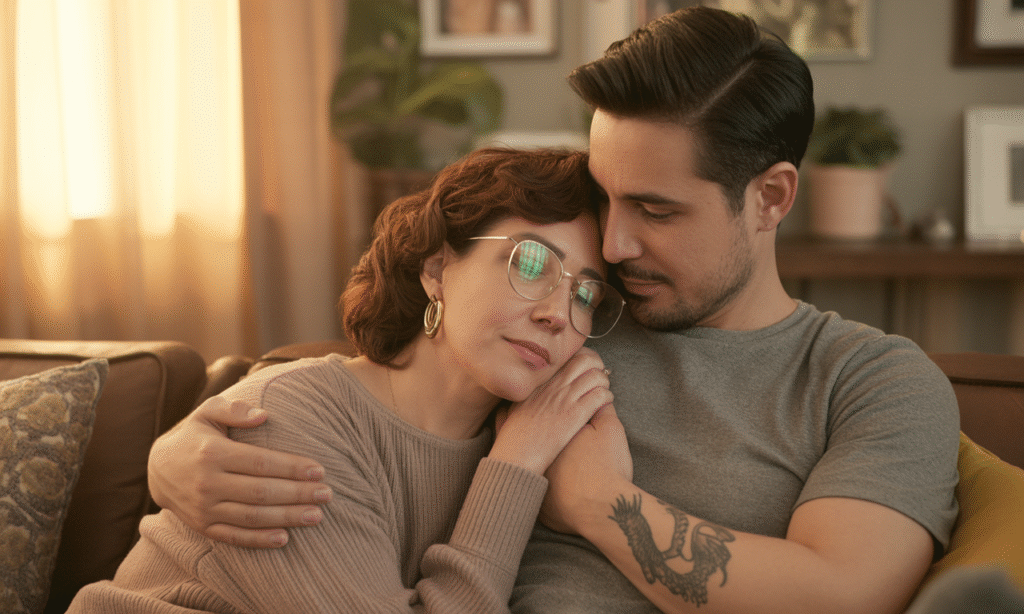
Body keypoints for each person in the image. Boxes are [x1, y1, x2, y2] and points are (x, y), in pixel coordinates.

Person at [144, 7, 961, 614]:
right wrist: (173, 449)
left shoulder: (870, 379)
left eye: (656, 210)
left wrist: (603, 505)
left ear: (770, 197)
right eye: (606, 197)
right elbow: (355, 397)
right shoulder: (568, 325)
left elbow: (845, 594)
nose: (614, 243)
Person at [67, 147, 626, 612]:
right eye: (531, 264)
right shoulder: (289, 421)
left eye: (584, 294)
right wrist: (516, 465)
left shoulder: (539, 438)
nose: (559, 312)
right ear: (437, 269)